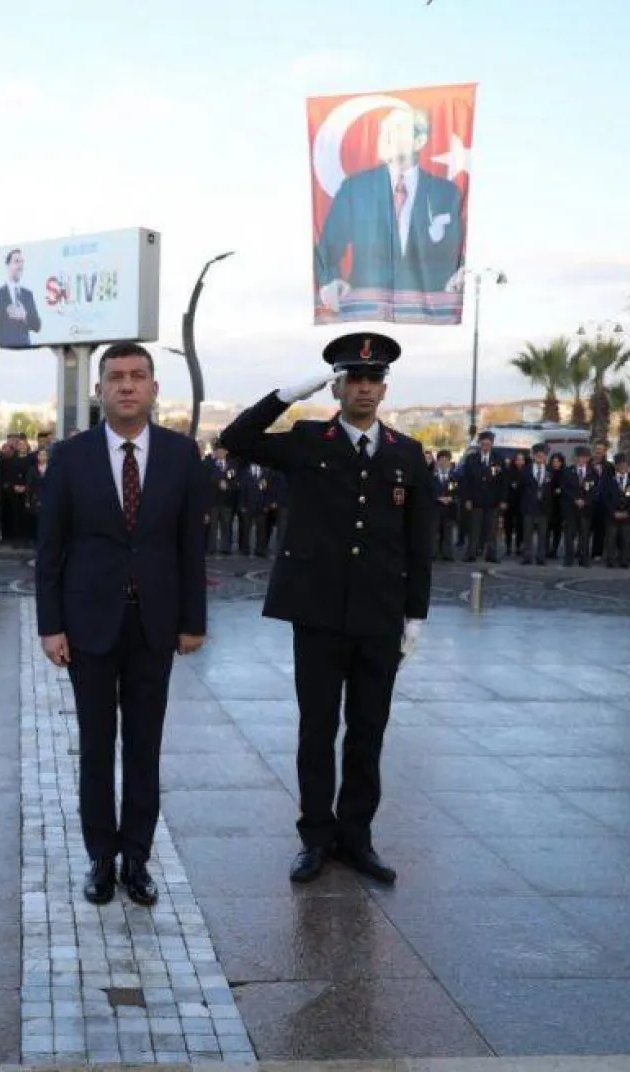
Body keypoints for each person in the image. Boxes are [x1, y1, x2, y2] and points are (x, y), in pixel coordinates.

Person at [218, 332, 431, 886]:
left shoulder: (407, 453)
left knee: (368, 731)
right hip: (317, 614)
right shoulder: (310, 439)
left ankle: (356, 838)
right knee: (317, 730)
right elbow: (236, 437)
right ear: (337, 386)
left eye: (373, 379)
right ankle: (315, 837)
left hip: (380, 617)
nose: (364, 387)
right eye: (352, 378)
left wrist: (416, 615)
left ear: (384, 388)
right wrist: (288, 393)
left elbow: (419, 540)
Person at [35, 341, 208, 906]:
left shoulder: (182, 456)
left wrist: (192, 621)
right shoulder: (70, 456)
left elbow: (190, 546)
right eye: (115, 377)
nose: (126, 386)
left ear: (155, 388)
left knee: (143, 746)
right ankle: (100, 859)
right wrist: (50, 625)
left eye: (137, 376)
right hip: (88, 624)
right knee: (95, 745)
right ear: (99, 390)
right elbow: (51, 548)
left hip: (154, 626)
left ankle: (137, 858)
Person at [314, 106, 465, 318]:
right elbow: (329, 246)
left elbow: (458, 250)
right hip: (366, 308)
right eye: (383, 129)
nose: (385, 135)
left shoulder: (446, 193)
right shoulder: (356, 188)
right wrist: (329, 280)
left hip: (429, 311)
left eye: (396, 129)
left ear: (419, 141)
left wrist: (461, 272)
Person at [457, 431, 503, 562]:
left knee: (491, 530)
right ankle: (471, 553)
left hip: (492, 500)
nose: (485, 447)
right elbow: (466, 481)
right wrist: (467, 499)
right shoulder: (472, 459)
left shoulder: (498, 459)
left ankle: (491, 555)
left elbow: (503, 481)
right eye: (483, 444)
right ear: (479, 445)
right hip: (475, 499)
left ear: (492, 445)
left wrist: (502, 499)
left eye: (488, 444)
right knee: (474, 529)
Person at [602, 453, 630, 568]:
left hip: (628, 516)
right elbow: (604, 498)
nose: (623, 467)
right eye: (620, 465)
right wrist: (613, 512)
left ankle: (624, 560)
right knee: (611, 538)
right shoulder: (608, 480)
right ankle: (610, 559)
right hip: (612, 515)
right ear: (616, 466)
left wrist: (628, 512)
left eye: (625, 465)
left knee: (626, 539)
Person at [0, 248, 42, 348]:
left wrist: (24, 316)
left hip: (25, 349)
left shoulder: (28, 294)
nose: (20, 266)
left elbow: (37, 326)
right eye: (16, 261)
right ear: (8, 265)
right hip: (4, 351)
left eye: (22, 262)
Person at [519, 442, 554, 565]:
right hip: (529, 506)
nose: (540, 457)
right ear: (533, 456)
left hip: (544, 507)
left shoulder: (550, 470)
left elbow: (552, 489)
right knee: (527, 533)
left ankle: (540, 557)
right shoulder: (526, 469)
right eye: (538, 455)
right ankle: (527, 556)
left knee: (543, 534)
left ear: (546, 457)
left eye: (543, 455)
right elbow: (521, 487)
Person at [430, 449, 458, 561]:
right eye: (441, 460)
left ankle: (447, 554)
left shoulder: (452, 477)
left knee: (447, 532)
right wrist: (438, 498)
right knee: (433, 532)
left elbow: (455, 491)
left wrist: (451, 498)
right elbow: (429, 491)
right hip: (435, 508)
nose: (444, 462)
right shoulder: (432, 475)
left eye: (446, 460)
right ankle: (433, 553)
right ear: (437, 461)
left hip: (448, 508)